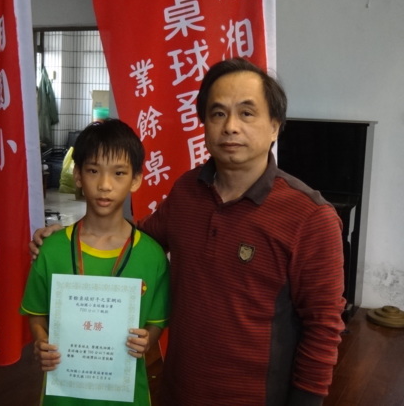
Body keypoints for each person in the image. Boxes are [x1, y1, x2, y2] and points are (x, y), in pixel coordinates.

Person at [30, 58, 345, 406]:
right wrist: (69, 236)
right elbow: (138, 237)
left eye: (247, 113)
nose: (231, 127)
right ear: (204, 124)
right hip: (178, 390)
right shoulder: (187, 191)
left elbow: (323, 327)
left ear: (274, 126)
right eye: (218, 113)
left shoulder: (310, 217)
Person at [20, 118, 170, 406]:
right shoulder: (51, 250)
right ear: (77, 175)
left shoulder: (152, 256)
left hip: (127, 395)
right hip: (62, 396)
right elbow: (36, 313)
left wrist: (148, 340)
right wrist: (40, 340)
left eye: (119, 173)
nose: (104, 185)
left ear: (136, 179)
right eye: (93, 171)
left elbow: (156, 322)